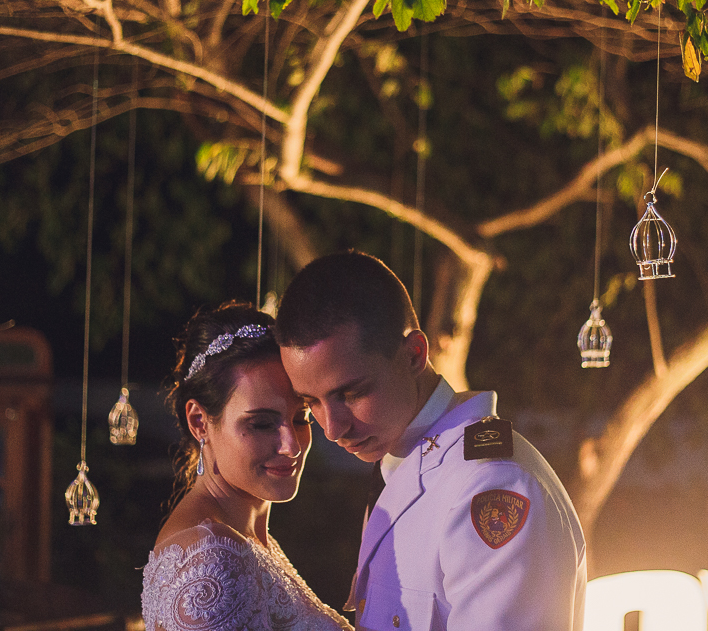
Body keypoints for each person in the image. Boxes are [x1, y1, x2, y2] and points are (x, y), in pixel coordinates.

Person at [275, 251, 587, 631]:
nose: (332, 429)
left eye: (351, 393)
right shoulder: (399, 457)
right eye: (311, 403)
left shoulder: (491, 484)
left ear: (414, 355)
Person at [141, 301, 352, 631]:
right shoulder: (210, 558)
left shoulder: (246, 538)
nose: (292, 445)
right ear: (199, 422)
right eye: (262, 424)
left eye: (301, 418)